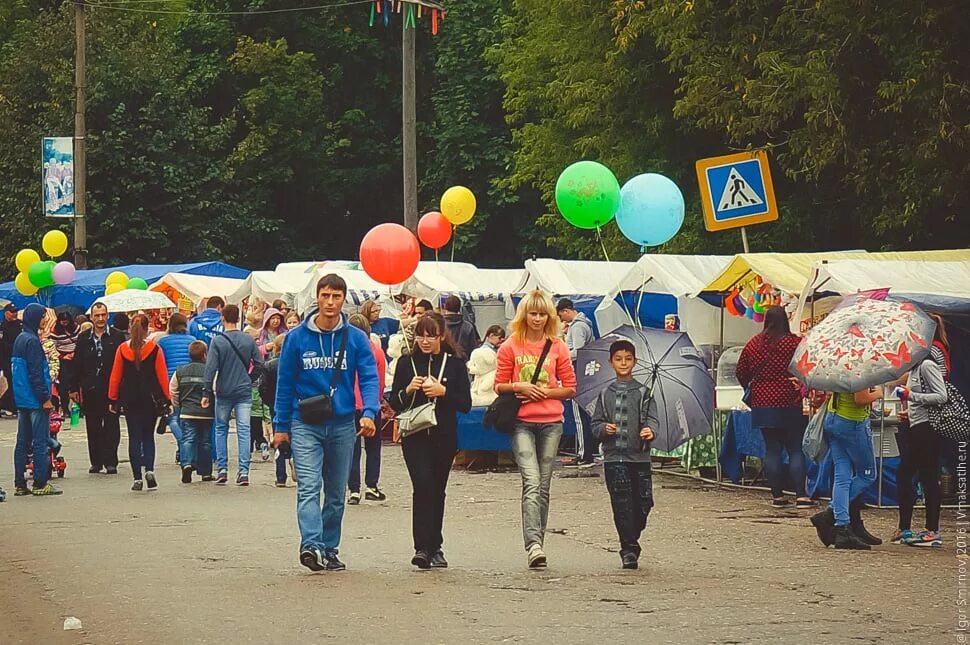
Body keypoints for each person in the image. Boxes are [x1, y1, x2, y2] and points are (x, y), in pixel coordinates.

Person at [273, 274, 380, 573]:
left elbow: (369, 378)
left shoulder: (357, 338)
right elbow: (284, 384)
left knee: (335, 493)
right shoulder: (296, 338)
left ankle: (329, 548)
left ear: (344, 299)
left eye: (336, 296)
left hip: (343, 423)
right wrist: (280, 426)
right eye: (325, 296)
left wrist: (369, 411)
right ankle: (311, 546)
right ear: (316, 298)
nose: (330, 302)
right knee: (308, 486)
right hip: (304, 422)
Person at [494, 290, 578, 568]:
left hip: (552, 421)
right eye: (533, 313)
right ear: (524, 315)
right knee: (531, 480)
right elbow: (499, 384)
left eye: (543, 314)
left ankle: (538, 540)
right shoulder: (510, 346)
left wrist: (548, 392)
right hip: (521, 421)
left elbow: (570, 387)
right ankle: (533, 544)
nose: (538, 319)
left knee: (543, 485)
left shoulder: (558, 346)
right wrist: (520, 386)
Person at [389, 314, 472, 569]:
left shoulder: (455, 364)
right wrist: (409, 390)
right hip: (414, 434)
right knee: (422, 484)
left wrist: (443, 392)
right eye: (421, 336)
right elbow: (394, 401)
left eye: (431, 335)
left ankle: (436, 545)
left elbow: (466, 404)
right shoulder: (406, 363)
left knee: (437, 489)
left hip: (444, 434)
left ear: (441, 336)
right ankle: (422, 547)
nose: (425, 341)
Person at [736, 306, 812, 508]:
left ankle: (777, 496)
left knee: (772, 449)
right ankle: (801, 495)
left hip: (763, 404)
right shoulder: (794, 343)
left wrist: (754, 388)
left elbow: (740, 370)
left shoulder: (753, 344)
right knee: (795, 448)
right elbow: (807, 366)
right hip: (790, 401)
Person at [591, 340, 658, 569]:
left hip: (639, 457)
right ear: (611, 363)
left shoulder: (644, 392)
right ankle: (628, 549)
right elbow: (595, 423)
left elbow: (653, 419)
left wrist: (650, 430)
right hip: (614, 458)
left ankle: (633, 534)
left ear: (635, 361)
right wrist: (603, 429)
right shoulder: (604, 393)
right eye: (618, 359)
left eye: (628, 359)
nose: (623, 363)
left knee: (643, 502)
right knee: (621, 503)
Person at [894, 323, 949, 548]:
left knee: (921, 475)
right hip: (916, 425)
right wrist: (910, 409)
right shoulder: (915, 369)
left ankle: (930, 529)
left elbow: (941, 396)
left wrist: (911, 395)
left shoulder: (927, 365)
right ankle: (906, 526)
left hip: (928, 429)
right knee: (911, 474)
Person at [810, 387, 882, 550]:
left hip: (834, 418)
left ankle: (842, 526)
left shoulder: (840, 366)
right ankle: (830, 514)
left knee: (842, 476)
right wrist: (878, 393)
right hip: (853, 422)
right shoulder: (859, 368)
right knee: (867, 474)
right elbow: (860, 399)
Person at [108, 315, 171, 492]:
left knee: (134, 437)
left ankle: (137, 478)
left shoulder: (122, 349)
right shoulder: (154, 349)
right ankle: (149, 470)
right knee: (147, 436)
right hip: (150, 399)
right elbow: (162, 377)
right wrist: (167, 400)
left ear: (130, 328)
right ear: (146, 328)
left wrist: (112, 399)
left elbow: (115, 377)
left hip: (129, 398)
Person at [202, 304, 262, 486]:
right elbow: (260, 364)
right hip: (243, 390)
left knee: (221, 429)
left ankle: (222, 469)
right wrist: (249, 378)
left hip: (223, 390)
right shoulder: (248, 339)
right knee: (244, 430)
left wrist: (206, 391)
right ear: (239, 318)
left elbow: (210, 368)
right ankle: (243, 472)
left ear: (222, 318)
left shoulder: (218, 341)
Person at [11, 303, 62, 496]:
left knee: (22, 442)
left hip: (22, 398)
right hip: (35, 399)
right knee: (40, 442)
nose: (44, 320)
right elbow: (35, 373)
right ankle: (40, 483)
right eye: (42, 317)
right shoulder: (32, 342)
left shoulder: (19, 339)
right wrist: (44, 397)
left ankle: (19, 483)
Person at [71, 302, 125, 474]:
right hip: (90, 388)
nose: (100, 319)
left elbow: (124, 363)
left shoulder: (117, 336)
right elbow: (77, 363)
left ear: (107, 316)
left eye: (103, 315)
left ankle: (111, 461)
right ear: (91, 317)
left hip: (111, 389)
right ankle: (96, 461)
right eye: (97, 315)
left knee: (111, 426)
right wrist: (73, 388)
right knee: (93, 426)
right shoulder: (84, 338)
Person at [346, 314, 388, 505]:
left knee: (352, 450)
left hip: (350, 405)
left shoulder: (344, 351)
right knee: (373, 448)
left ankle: (353, 490)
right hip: (371, 405)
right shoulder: (376, 351)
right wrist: (378, 401)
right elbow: (378, 380)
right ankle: (372, 485)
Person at [556, 298, 596, 468]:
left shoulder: (578, 326)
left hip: (578, 373)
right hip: (586, 373)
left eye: (561, 316)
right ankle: (588, 452)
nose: (562, 320)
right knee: (585, 414)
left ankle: (584, 454)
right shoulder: (585, 323)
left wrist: (562, 353)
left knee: (579, 416)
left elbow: (579, 351)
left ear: (566, 311)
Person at [170, 341, 214, 484]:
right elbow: (215, 389)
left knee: (188, 439)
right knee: (205, 442)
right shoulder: (210, 370)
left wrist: (178, 405)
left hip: (187, 411)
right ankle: (206, 472)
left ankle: (187, 464)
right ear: (205, 354)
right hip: (206, 412)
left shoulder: (180, 370)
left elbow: (173, 390)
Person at [157, 314, 194, 462]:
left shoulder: (163, 342)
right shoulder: (192, 340)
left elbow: (160, 363)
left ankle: (182, 445)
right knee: (186, 419)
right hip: (188, 382)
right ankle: (184, 449)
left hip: (170, 381)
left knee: (173, 418)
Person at [50, 311, 81, 422]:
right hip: (63, 360)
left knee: (77, 384)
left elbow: (80, 341)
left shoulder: (76, 328)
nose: (65, 324)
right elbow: (53, 347)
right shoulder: (54, 331)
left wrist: (75, 353)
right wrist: (62, 357)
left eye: (66, 322)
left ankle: (78, 410)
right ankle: (65, 408)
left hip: (76, 357)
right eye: (63, 322)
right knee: (63, 385)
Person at [0, 303, 23, 417]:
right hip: (7, 359)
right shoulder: (2, 327)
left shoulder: (20, 324)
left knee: (19, 382)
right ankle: (8, 405)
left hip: (20, 358)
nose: (14, 314)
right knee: (11, 382)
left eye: (15, 311)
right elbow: (2, 344)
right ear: (6, 313)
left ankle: (10, 405)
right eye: (12, 312)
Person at [441, 295, 480, 360]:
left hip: (443, 362)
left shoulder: (438, 325)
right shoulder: (468, 326)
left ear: (445, 306)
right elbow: (473, 349)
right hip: (463, 362)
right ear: (459, 308)